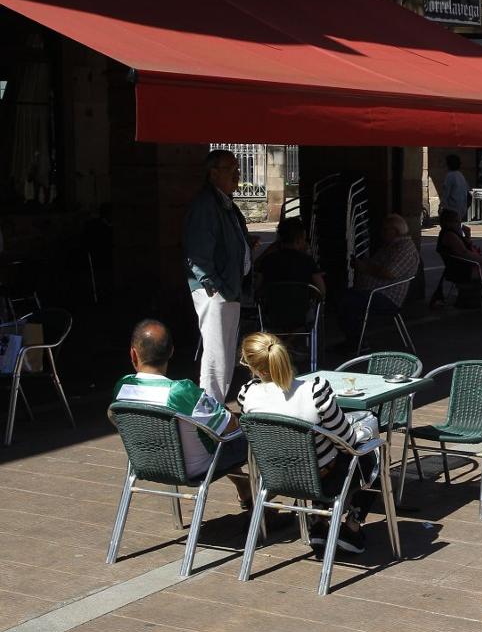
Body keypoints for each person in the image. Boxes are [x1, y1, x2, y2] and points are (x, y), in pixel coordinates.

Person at [237, 333, 374, 554]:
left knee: (327, 456)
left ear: (256, 368)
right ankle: (352, 526)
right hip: (322, 479)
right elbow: (347, 441)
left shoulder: (246, 395)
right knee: (370, 455)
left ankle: (319, 522)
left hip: (276, 478)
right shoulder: (315, 390)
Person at [113, 319, 251, 505]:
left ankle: (245, 488)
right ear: (171, 351)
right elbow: (229, 426)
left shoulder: (122, 388)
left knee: (204, 430)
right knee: (251, 433)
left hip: (147, 463)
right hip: (195, 468)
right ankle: (260, 508)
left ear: (133, 354)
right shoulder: (181, 392)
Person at [184, 149, 255, 406]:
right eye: (231, 168)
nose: (237, 173)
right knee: (217, 355)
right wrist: (213, 285)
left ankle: (216, 405)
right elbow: (197, 252)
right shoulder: (207, 205)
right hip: (217, 289)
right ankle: (210, 408)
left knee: (225, 353)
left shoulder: (225, 203)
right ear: (213, 173)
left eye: (237, 168)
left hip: (229, 287)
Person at [340, 214, 422, 346]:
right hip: (373, 291)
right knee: (344, 296)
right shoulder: (390, 246)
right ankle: (353, 340)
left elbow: (389, 273)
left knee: (347, 301)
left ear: (394, 231)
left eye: (385, 229)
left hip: (386, 296)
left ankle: (355, 342)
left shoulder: (405, 249)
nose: (382, 233)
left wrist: (365, 268)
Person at [434, 208, 482, 303]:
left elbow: (467, 247)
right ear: (448, 223)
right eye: (457, 222)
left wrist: (467, 235)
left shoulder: (452, 234)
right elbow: (465, 253)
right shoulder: (450, 236)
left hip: (464, 268)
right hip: (463, 271)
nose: (459, 224)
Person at [254, 217, 326, 297]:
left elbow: (257, 288)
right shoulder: (308, 261)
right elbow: (321, 290)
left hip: (273, 307)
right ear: (299, 240)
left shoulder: (268, 260)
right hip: (301, 306)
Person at [441, 154, 469, 225]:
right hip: (461, 208)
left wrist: (441, 206)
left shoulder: (450, 176)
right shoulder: (461, 175)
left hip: (451, 208)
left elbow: (446, 192)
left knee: (449, 229)